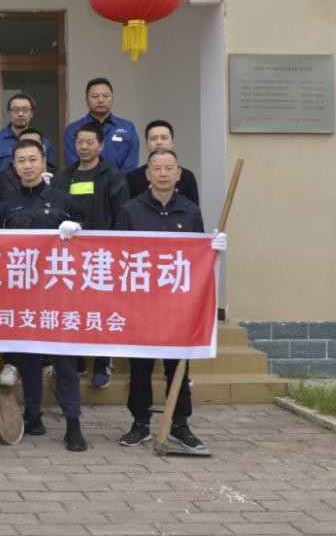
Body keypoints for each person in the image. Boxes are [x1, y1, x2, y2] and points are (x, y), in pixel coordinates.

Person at [114, 148, 225, 453]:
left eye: (168, 168)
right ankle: (139, 422)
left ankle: (180, 424)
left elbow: (197, 259)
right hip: (141, 305)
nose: (163, 174)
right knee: (140, 367)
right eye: (157, 168)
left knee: (178, 366)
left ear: (179, 174)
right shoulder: (130, 211)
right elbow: (117, 256)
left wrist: (213, 248)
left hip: (178, 308)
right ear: (147, 174)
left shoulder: (190, 212)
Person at [0, 139, 89, 452]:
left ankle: (73, 424)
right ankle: (32, 414)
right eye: (21, 161)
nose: (27, 166)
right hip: (22, 296)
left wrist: (77, 227)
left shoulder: (65, 201)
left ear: (43, 161)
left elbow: (91, 239)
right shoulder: (7, 207)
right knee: (28, 359)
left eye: (32, 159)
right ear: (14, 165)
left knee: (64, 361)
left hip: (58, 296)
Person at [51, 122, 129, 388]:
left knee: (102, 309)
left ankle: (102, 362)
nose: (84, 147)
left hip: (103, 255)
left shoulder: (113, 177)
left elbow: (121, 216)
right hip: (70, 257)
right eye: (80, 142)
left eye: (89, 142)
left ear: (101, 145)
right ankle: (78, 361)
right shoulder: (64, 177)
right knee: (74, 309)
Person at [0, 94, 54, 203]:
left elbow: (50, 173)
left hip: (38, 202)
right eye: (15, 110)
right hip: (2, 203)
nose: (20, 114)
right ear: (9, 113)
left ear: (32, 114)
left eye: (25, 110)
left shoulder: (44, 143)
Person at [63, 77, 139, 173]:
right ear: (86, 100)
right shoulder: (73, 129)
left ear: (112, 99)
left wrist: (117, 181)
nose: (100, 100)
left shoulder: (128, 128)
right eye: (95, 96)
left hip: (121, 182)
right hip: (85, 181)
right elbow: (73, 164)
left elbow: (131, 164)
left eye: (105, 96)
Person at [125, 120, 200, 206]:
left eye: (164, 138)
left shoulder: (187, 177)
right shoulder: (133, 178)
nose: (159, 142)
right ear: (147, 144)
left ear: (172, 142)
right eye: (153, 138)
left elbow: (193, 210)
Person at [0, 127, 55, 206]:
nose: (27, 166)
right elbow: (10, 204)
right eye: (24, 144)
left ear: (43, 148)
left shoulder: (57, 175)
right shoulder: (7, 176)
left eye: (34, 144)